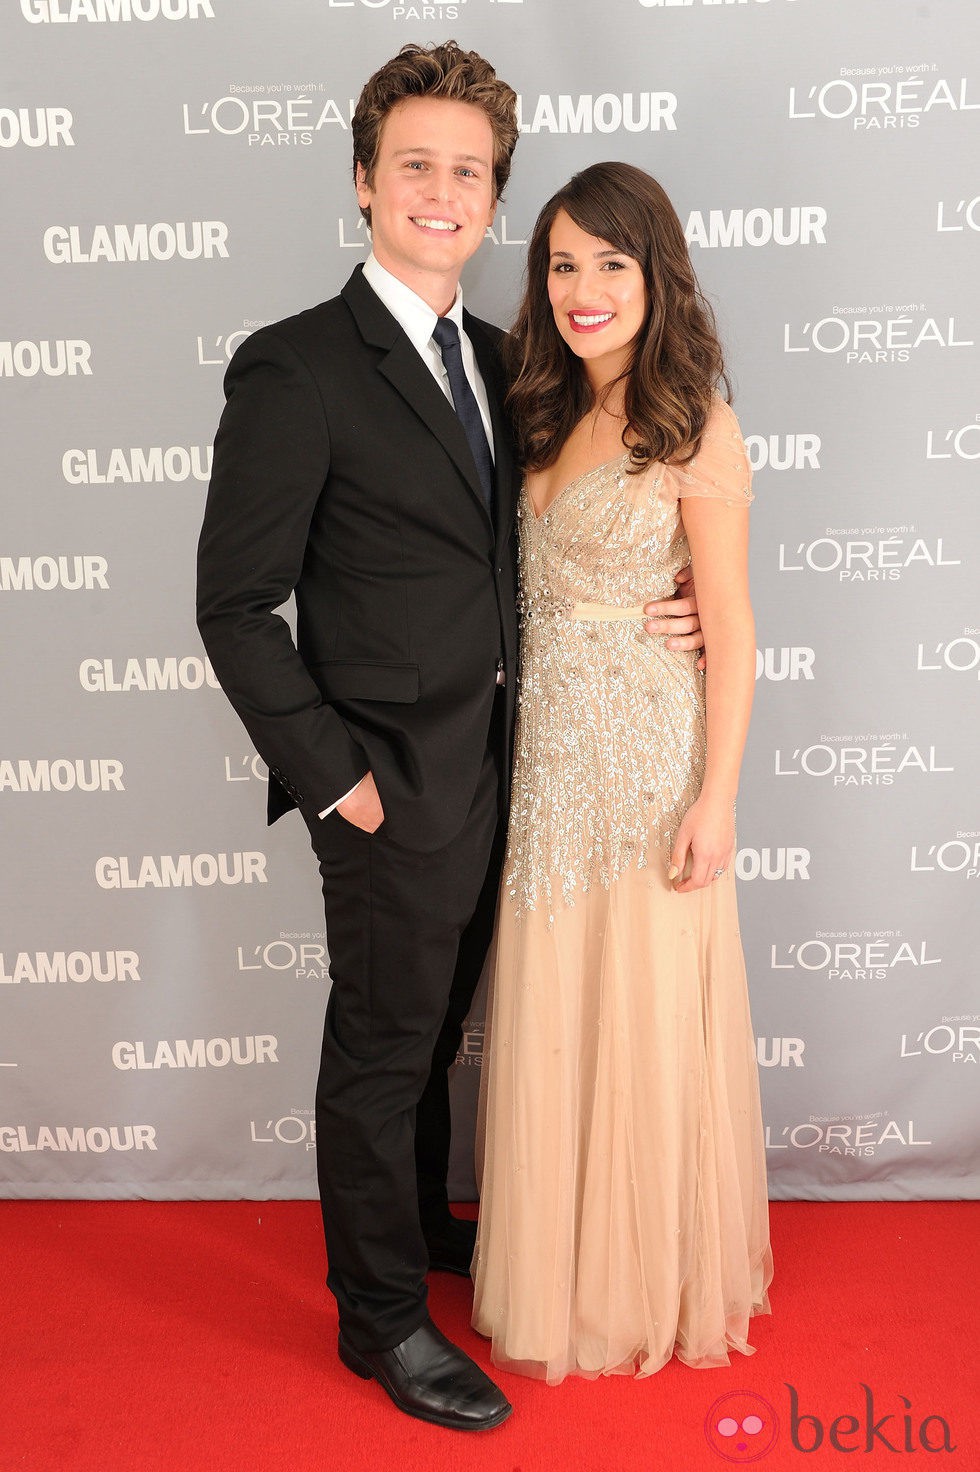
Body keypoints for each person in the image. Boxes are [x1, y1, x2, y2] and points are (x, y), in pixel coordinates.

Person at [197, 44, 703, 1430]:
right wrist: (335, 780)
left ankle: (423, 1233)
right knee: (380, 1051)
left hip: (511, 782)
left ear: (494, 202)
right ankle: (379, 1325)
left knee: (432, 1050)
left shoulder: (505, 359)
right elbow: (234, 605)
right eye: (412, 165)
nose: (440, 191)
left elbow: (566, 547)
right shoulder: (294, 368)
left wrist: (685, 614)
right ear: (364, 185)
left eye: (467, 172)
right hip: (384, 786)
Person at [472, 161, 774, 1383]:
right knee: (555, 1012)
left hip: (649, 764)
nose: (583, 288)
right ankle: (555, 1272)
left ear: (655, 275)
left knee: (641, 1018)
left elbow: (734, 623)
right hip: (543, 762)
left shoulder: (690, 414)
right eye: (559, 263)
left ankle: (640, 1282)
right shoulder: (529, 402)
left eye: (610, 262)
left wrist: (719, 795)